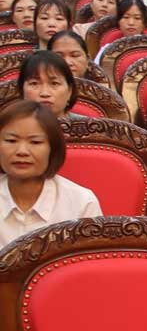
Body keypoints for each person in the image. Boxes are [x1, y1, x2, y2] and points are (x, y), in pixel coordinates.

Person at [0, 100, 101, 245]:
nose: (21, 151)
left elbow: (88, 264)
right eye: (11, 141)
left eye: (35, 142)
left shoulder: (82, 203)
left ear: (52, 149)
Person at [18, 51, 76, 118]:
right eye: (34, 83)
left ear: (69, 91)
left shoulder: (87, 126)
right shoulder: (9, 126)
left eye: (54, 83)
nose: (45, 93)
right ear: (22, 89)